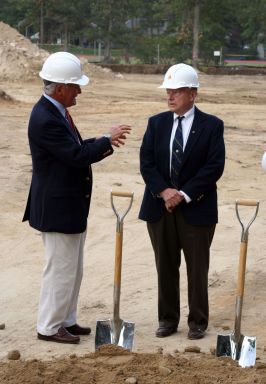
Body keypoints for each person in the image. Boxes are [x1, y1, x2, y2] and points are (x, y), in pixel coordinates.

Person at [23, 52, 131, 344]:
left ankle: (65, 321)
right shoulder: (46, 118)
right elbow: (75, 156)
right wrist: (106, 141)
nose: (79, 91)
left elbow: (73, 147)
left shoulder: (55, 111)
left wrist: (100, 141)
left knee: (73, 269)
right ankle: (49, 326)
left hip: (68, 206)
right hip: (58, 208)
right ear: (60, 88)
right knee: (60, 269)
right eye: (75, 86)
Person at [139, 63, 225, 340]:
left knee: (197, 268)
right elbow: (147, 163)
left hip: (196, 208)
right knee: (165, 266)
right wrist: (164, 192)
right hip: (159, 207)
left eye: (176, 92)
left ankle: (197, 322)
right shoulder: (156, 123)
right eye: (168, 91)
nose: (170, 97)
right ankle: (167, 319)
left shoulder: (211, 125)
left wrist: (183, 194)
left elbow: (213, 167)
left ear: (192, 93)